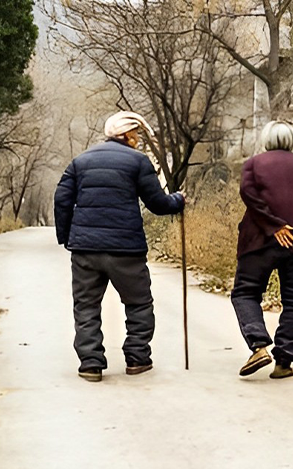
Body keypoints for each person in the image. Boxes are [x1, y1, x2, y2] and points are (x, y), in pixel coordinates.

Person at [54, 111, 185, 383]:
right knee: (138, 303)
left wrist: (68, 238)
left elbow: (62, 200)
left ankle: (90, 364)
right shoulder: (138, 161)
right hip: (126, 250)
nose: (138, 139)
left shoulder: (80, 162)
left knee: (86, 305)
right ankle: (137, 358)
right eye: (135, 134)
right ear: (127, 135)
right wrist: (177, 201)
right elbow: (157, 203)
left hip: (85, 250)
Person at [231, 121, 293, 379]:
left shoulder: (254, 164)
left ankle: (259, 346)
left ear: (266, 141)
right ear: (292, 142)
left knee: (245, 291)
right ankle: (284, 362)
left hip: (258, 241)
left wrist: (273, 226)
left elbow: (248, 194)